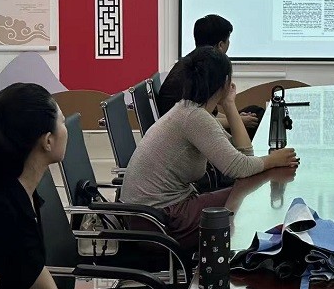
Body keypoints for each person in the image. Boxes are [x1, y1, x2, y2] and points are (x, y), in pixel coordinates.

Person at [0, 83, 157, 289]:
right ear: (47, 141)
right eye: (62, 122)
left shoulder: (22, 193)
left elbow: (28, 263)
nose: (66, 129)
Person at [120, 47, 300, 250]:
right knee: (248, 198)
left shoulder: (189, 109)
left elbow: (242, 153)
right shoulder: (194, 118)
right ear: (225, 82)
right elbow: (239, 168)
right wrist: (273, 160)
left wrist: (229, 104)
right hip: (159, 221)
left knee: (247, 191)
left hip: (155, 214)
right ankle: (238, 261)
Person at [156, 14, 260, 135]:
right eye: (228, 40)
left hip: (195, 123)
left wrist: (236, 117)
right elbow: (197, 122)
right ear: (220, 45)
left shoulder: (192, 62)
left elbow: (209, 114)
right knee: (257, 120)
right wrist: (238, 121)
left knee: (256, 111)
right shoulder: (200, 71)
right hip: (184, 132)